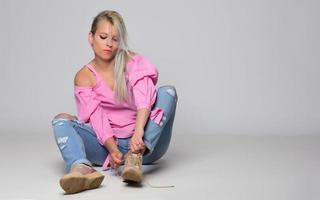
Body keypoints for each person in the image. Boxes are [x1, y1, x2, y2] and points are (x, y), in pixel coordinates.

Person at [51, 10, 178, 194]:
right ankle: (81, 168)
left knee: (168, 92)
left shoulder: (132, 61)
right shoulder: (84, 76)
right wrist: (113, 150)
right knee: (60, 120)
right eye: (103, 37)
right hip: (108, 148)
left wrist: (138, 135)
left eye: (115, 39)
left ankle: (134, 159)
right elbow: (97, 117)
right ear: (91, 37)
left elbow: (144, 99)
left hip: (144, 144)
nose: (109, 44)